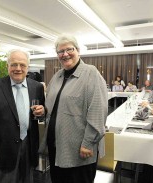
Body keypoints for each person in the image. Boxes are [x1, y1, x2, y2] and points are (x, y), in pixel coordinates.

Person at [39, 34, 107, 183]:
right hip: (56, 145)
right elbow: (52, 106)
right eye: (60, 52)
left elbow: (98, 112)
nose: (65, 54)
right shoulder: (57, 76)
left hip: (79, 149)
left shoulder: (91, 73)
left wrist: (88, 143)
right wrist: (43, 111)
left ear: (78, 50)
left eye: (69, 49)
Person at [0, 49, 45, 183]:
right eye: (14, 64)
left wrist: (42, 112)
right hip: (2, 147)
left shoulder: (37, 87)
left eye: (22, 65)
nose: (18, 69)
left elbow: (40, 115)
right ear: (7, 66)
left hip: (29, 144)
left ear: (28, 67)